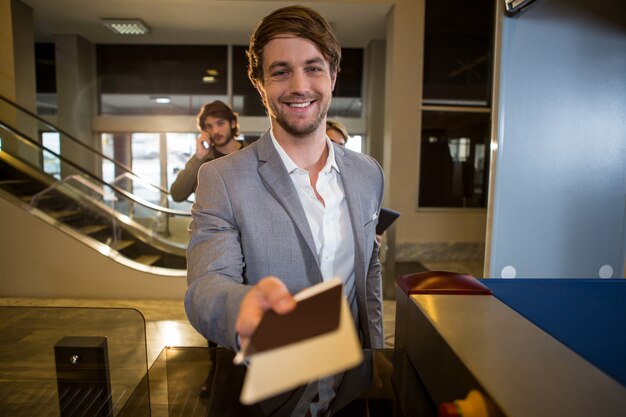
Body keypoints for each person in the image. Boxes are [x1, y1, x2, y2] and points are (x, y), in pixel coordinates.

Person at [185, 5, 384, 415]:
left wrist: (376, 356)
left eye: (313, 68)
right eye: (280, 71)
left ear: (332, 76)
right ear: (260, 84)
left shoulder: (368, 173)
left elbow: (369, 273)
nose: (299, 85)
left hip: (351, 389)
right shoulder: (223, 178)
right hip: (270, 397)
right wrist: (241, 308)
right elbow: (205, 287)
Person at [169, 100, 245, 202]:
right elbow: (177, 195)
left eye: (220, 123)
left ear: (232, 123)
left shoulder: (252, 154)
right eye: (209, 126)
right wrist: (198, 157)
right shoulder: (202, 159)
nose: (215, 131)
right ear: (204, 130)